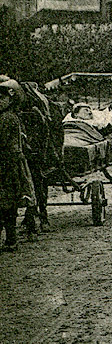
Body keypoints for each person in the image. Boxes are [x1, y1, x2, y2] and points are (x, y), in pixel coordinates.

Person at [0, 78, 35, 252]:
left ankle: (11, 240)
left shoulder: (7, 118)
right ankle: (10, 239)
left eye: (2, 98)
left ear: (9, 99)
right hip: (7, 161)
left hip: (8, 163)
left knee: (7, 202)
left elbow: (2, 142)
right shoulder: (7, 116)